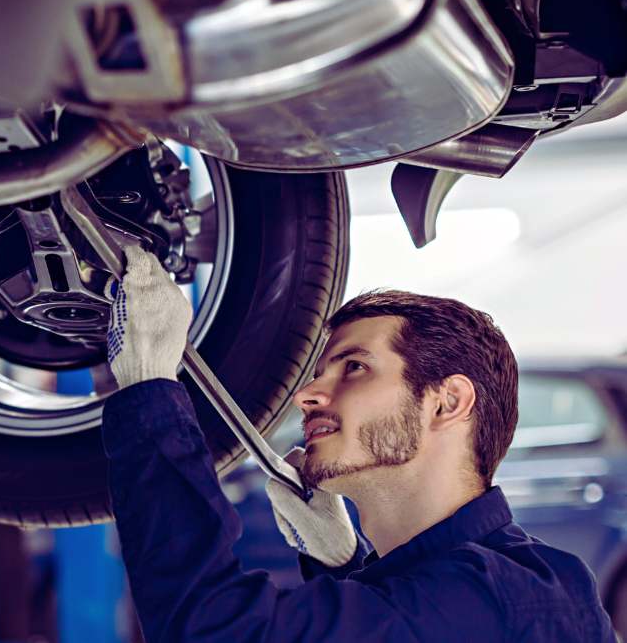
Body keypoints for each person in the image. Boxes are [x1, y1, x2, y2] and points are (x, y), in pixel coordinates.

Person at [102, 245, 615, 642]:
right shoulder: (544, 577)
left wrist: (150, 387)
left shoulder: (480, 595)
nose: (307, 394)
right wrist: (345, 565)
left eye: (355, 367)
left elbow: (211, 630)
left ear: (447, 402)